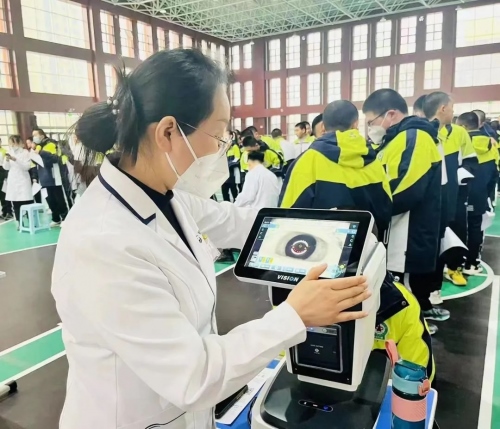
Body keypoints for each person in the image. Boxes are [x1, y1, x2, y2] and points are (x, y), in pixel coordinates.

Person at [51, 49, 371, 429]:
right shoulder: (103, 242)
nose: (224, 146)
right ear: (168, 133)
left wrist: (327, 228)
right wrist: (295, 315)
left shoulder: (166, 197)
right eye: (219, 133)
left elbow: (240, 222)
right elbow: (194, 376)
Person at [362, 89, 447, 323]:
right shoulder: (395, 140)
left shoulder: (415, 137)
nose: (371, 127)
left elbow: (407, 188)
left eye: (371, 121)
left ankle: (415, 334)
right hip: (397, 231)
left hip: (408, 234)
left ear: (390, 114)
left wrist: (370, 208)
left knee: (406, 293)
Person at [280, 100, 392, 243]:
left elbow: (287, 214)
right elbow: (385, 209)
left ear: (323, 127)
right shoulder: (374, 161)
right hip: (365, 247)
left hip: (321, 250)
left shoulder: (308, 160)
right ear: (356, 124)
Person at [457, 112, 498, 275]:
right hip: (480, 194)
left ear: (463, 126)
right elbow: (494, 174)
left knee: (456, 226)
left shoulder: (458, 143)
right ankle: (472, 263)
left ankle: (455, 263)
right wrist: (487, 195)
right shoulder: (491, 145)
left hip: (459, 195)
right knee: (476, 227)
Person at [32, 128, 68, 226]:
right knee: (49, 199)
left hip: (53, 177)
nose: (34, 137)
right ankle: (56, 218)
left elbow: (55, 158)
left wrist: (41, 153)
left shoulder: (51, 144)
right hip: (43, 178)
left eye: (35, 135)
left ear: (42, 135)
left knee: (58, 198)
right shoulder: (38, 147)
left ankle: (65, 217)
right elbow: (35, 162)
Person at [2, 135, 34, 228]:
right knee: (15, 202)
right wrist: (7, 160)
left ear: (19, 142)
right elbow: (6, 167)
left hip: (23, 179)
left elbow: (27, 167)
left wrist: (16, 160)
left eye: (14, 143)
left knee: (26, 201)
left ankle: (31, 221)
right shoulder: (9, 152)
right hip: (13, 179)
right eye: (10, 143)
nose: (12, 145)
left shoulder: (25, 152)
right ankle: (20, 223)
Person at [221, 131, 240, 202]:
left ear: (231, 136)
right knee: (224, 192)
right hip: (223, 175)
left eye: (226, 135)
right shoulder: (223, 147)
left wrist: (228, 165)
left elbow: (237, 159)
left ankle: (236, 204)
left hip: (231, 174)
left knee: (234, 191)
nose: (224, 137)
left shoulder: (234, 147)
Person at [0, 140, 13, 220]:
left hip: (2, 171)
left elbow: (6, 165)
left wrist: (5, 176)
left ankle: (8, 211)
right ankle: (3, 211)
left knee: (4, 192)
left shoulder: (4, 151)